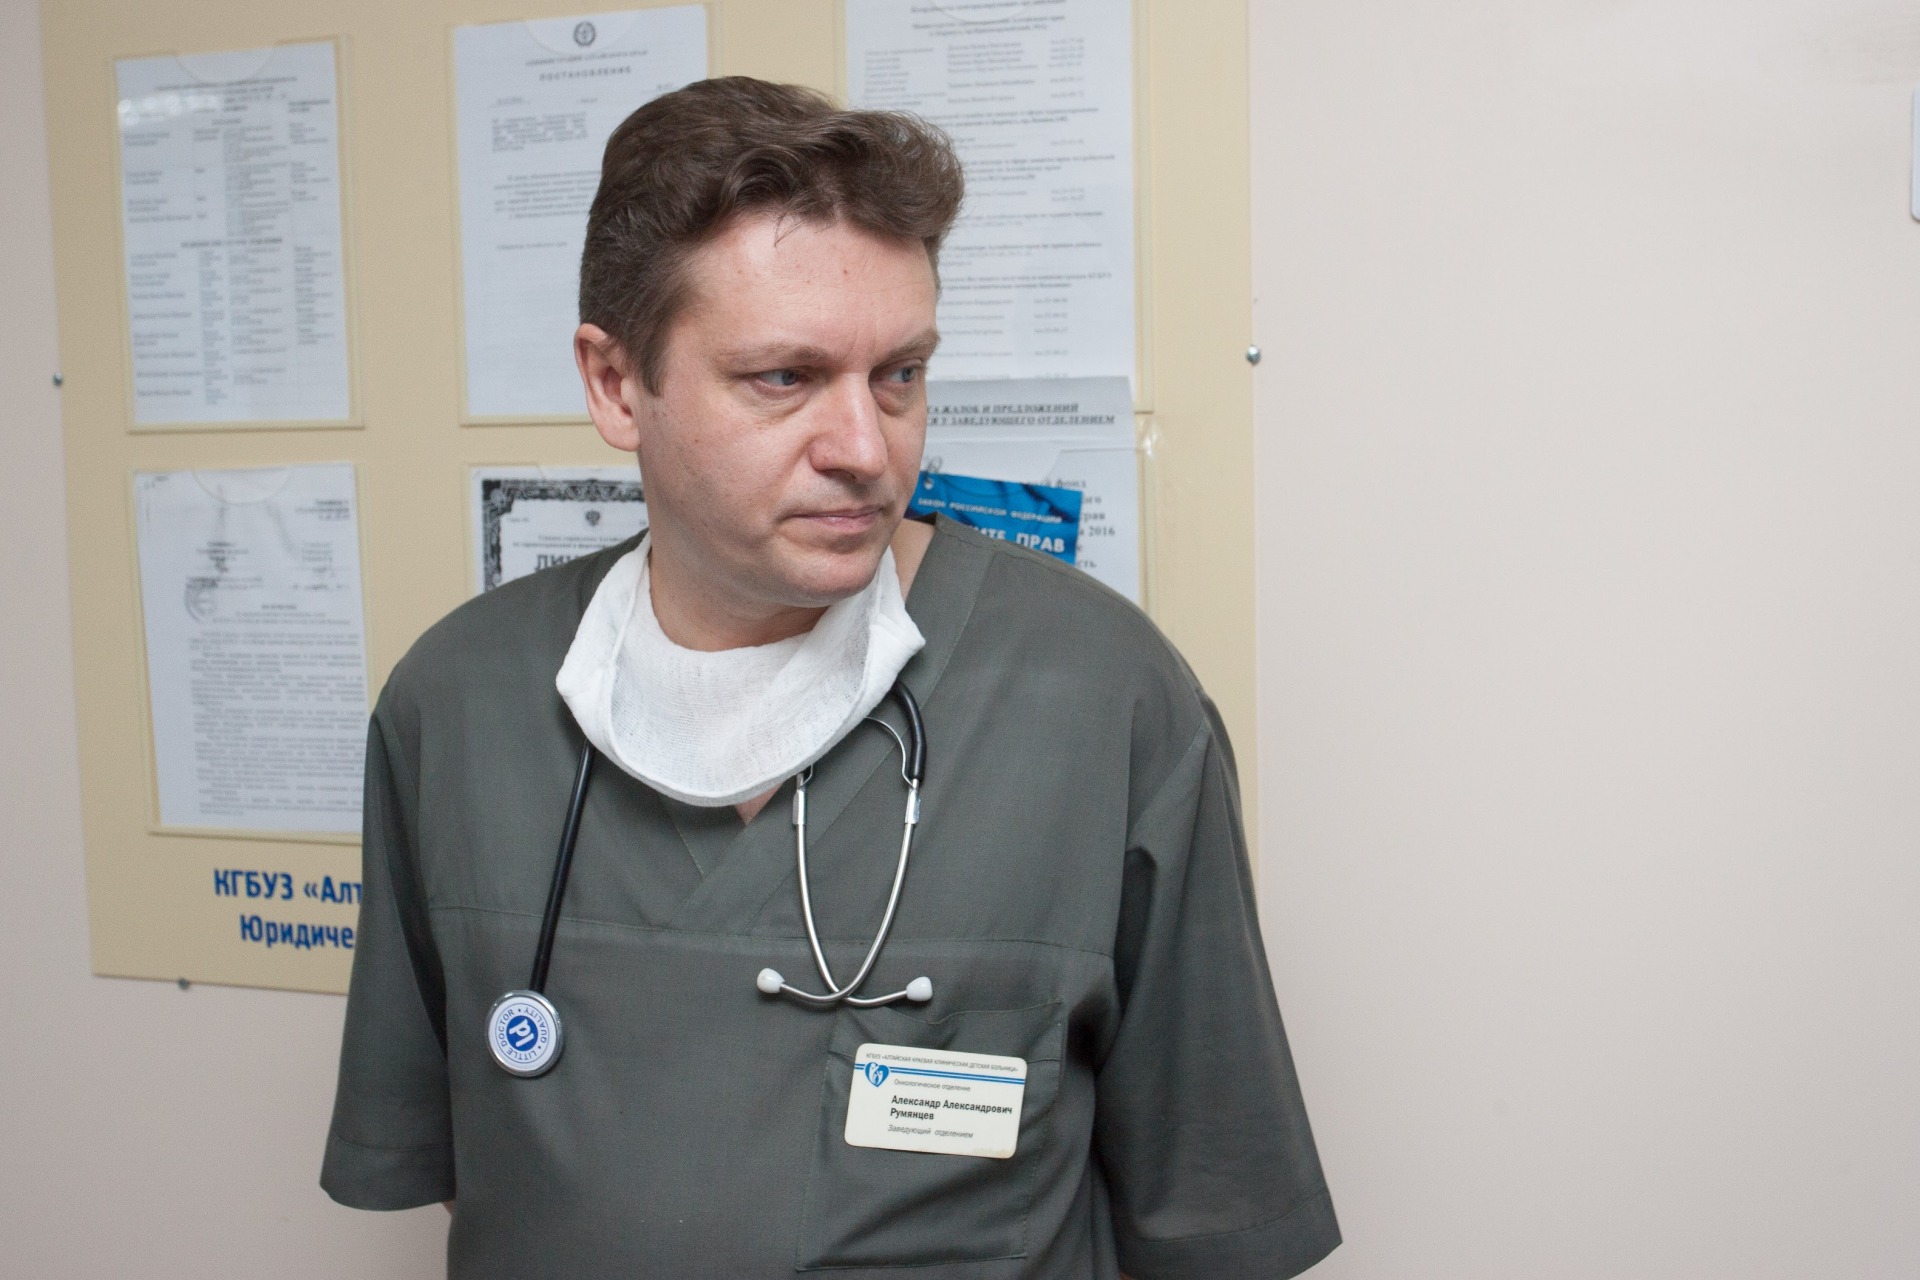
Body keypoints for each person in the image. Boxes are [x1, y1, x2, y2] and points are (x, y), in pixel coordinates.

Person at [322, 76, 1338, 1279]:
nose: (867, 448)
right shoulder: (458, 703)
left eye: (899, 373)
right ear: (615, 383)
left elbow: (1211, 1204)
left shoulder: (1101, 699)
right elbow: (468, 1160)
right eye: (784, 377)